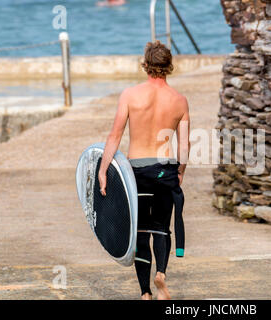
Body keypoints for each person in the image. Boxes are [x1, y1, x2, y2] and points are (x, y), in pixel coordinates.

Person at [97, 40, 190, 300]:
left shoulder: (130, 95)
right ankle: (161, 273)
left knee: (139, 232)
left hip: (136, 173)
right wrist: (180, 171)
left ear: (145, 65)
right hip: (165, 169)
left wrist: (104, 170)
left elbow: (115, 135)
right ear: (169, 66)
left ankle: (145, 292)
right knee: (161, 227)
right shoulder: (179, 101)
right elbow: (185, 145)